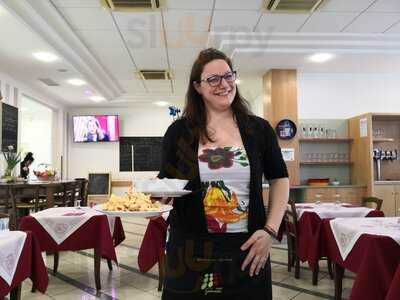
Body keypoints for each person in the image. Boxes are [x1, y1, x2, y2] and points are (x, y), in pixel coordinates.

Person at [158, 48, 290, 300]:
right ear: (198, 86)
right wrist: (155, 197)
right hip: (190, 251)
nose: (224, 84)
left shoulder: (258, 129)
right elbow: (167, 181)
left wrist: (270, 231)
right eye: (213, 79)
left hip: (248, 248)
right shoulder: (179, 131)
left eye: (228, 76)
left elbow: (280, 179)